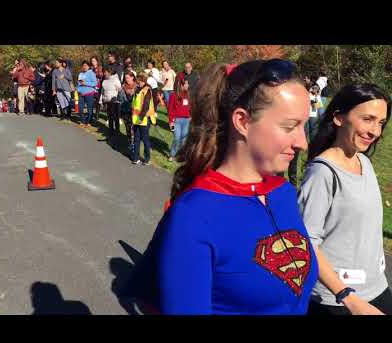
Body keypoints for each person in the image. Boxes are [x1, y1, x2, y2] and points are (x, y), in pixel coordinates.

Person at [122, 60, 318, 315]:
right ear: (242, 122)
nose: (303, 142)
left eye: (304, 126)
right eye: (290, 127)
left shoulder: (282, 192)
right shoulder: (194, 216)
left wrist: (348, 297)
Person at [298, 84, 391, 315]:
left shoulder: (364, 162)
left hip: (377, 289)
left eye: (380, 122)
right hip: (339, 302)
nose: (375, 132)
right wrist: (347, 297)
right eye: (368, 119)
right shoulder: (322, 173)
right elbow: (305, 241)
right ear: (339, 118)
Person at [131, 72, 156, 166]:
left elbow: (145, 105)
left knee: (145, 139)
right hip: (136, 118)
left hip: (144, 119)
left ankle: (147, 158)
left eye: (139, 80)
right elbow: (134, 103)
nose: (137, 82)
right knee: (136, 139)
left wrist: (141, 117)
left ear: (143, 80)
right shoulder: (137, 89)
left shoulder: (147, 90)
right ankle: (136, 158)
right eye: (137, 80)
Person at [167, 78, 191, 162]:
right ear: (181, 85)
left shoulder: (188, 94)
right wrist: (171, 122)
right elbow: (170, 109)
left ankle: (181, 155)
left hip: (187, 120)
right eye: (186, 84)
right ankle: (172, 154)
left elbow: (190, 107)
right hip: (177, 120)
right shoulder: (173, 95)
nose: (188, 86)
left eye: (188, 84)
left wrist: (190, 116)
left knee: (184, 139)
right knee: (177, 138)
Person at [100, 67, 122, 148]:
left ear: (109, 72)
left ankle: (117, 133)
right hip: (107, 102)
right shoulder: (104, 82)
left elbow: (120, 89)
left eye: (106, 72)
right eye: (104, 73)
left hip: (115, 102)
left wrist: (118, 89)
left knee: (115, 118)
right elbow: (102, 92)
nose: (104, 74)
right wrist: (101, 101)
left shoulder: (115, 79)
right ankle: (111, 132)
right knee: (109, 118)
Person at [119, 71, 138, 156]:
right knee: (128, 127)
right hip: (125, 109)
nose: (126, 79)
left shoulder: (137, 86)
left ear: (132, 77)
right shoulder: (123, 87)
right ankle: (130, 143)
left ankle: (134, 145)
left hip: (134, 110)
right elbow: (120, 99)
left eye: (128, 77)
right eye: (125, 78)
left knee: (134, 128)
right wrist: (119, 92)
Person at [77, 60, 97, 128]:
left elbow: (95, 83)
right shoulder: (80, 74)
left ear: (89, 66)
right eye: (83, 66)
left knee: (89, 108)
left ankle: (89, 122)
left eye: (86, 65)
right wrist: (78, 90)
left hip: (89, 93)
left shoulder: (91, 73)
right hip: (81, 93)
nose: (84, 67)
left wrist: (86, 83)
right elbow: (79, 83)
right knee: (80, 108)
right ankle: (82, 121)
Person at [90, 56, 103, 121]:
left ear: (97, 61)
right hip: (92, 86)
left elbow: (101, 76)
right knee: (91, 101)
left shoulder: (100, 68)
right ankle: (91, 114)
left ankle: (97, 115)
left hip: (98, 86)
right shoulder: (90, 69)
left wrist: (96, 73)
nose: (93, 62)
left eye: (94, 61)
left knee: (98, 102)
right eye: (92, 61)